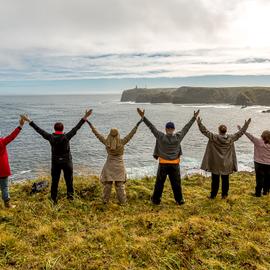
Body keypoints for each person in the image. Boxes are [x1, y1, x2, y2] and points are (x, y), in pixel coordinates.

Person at [21, 110, 92, 203]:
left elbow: (39, 130)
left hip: (55, 163)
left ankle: (53, 200)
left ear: (54, 129)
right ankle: (70, 199)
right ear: (62, 129)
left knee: (55, 182)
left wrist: (29, 120)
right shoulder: (66, 137)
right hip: (67, 162)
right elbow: (76, 128)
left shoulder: (50, 137)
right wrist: (85, 117)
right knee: (69, 182)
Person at [137, 108, 200, 205]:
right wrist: (194, 118)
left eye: (168, 128)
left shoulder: (161, 136)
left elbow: (151, 127)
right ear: (174, 129)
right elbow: (186, 128)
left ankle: (156, 200)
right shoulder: (178, 137)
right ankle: (180, 200)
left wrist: (143, 117)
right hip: (175, 164)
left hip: (163, 164)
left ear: (166, 129)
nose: (170, 130)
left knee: (159, 183)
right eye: (171, 129)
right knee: (176, 183)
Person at [86, 116, 142, 204]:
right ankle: (123, 202)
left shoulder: (106, 142)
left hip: (109, 165)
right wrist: (138, 124)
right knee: (120, 185)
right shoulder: (122, 142)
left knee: (107, 185)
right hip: (119, 165)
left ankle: (105, 201)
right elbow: (131, 134)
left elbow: (97, 134)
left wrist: (90, 124)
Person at [197, 117, 251, 199]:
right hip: (227, 163)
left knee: (215, 180)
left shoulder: (214, 137)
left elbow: (204, 131)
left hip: (216, 163)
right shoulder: (231, 138)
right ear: (226, 131)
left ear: (219, 131)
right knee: (225, 180)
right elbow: (240, 133)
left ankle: (213, 196)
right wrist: (246, 125)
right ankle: (224, 195)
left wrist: (199, 123)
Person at [0, 115, 26, 208]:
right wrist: (20, 125)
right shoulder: (2, 142)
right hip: (2, 170)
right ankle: (7, 205)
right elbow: (12, 136)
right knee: (4, 187)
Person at [238, 127, 270, 197]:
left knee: (259, 179)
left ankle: (258, 193)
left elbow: (249, 136)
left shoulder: (258, 141)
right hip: (269, 164)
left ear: (262, 135)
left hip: (259, 163)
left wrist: (242, 129)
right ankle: (266, 192)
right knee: (267, 178)